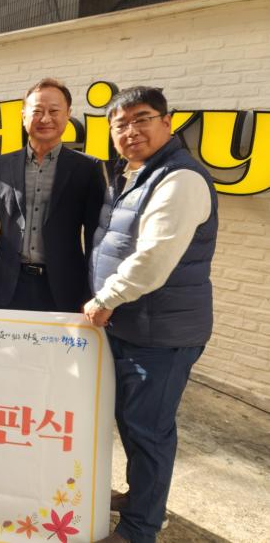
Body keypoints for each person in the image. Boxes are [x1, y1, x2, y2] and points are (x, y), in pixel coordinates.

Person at [83, 86, 218, 543]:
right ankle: (140, 498)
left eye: (141, 119)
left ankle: (140, 529)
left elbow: (154, 257)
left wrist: (107, 298)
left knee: (149, 430)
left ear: (167, 122)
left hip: (161, 333)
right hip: (133, 325)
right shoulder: (134, 174)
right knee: (134, 424)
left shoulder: (180, 180)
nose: (130, 131)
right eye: (120, 124)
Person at [0, 78, 106, 312]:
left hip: (65, 286)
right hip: (9, 284)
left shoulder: (87, 168)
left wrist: (95, 290)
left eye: (54, 111)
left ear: (68, 114)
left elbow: (97, 235)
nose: (45, 119)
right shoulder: (1, 165)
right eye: (37, 111)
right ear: (23, 116)